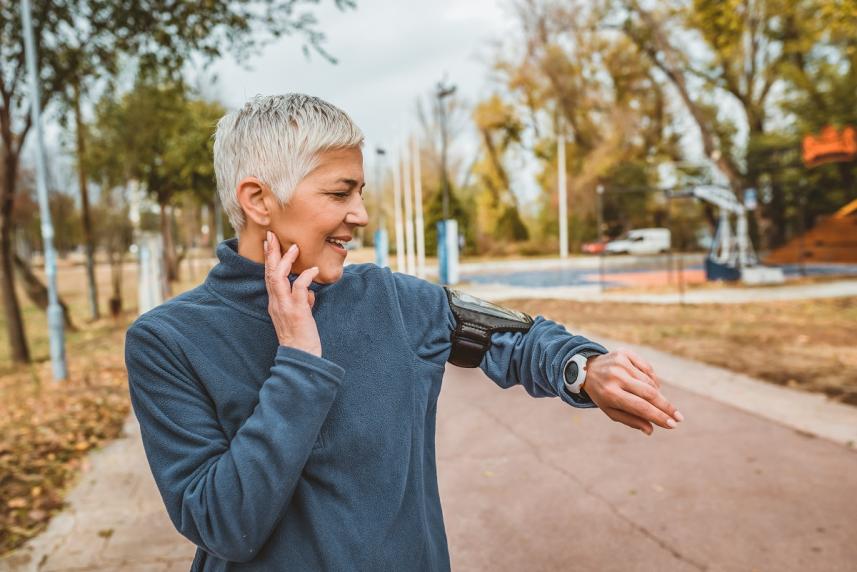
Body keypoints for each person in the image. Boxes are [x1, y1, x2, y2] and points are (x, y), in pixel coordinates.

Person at [125, 94, 682, 571]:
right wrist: (297, 360)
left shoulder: (391, 299)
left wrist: (585, 369)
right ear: (258, 200)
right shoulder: (168, 342)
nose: (361, 213)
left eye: (361, 192)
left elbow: (514, 339)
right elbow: (224, 524)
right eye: (340, 194)